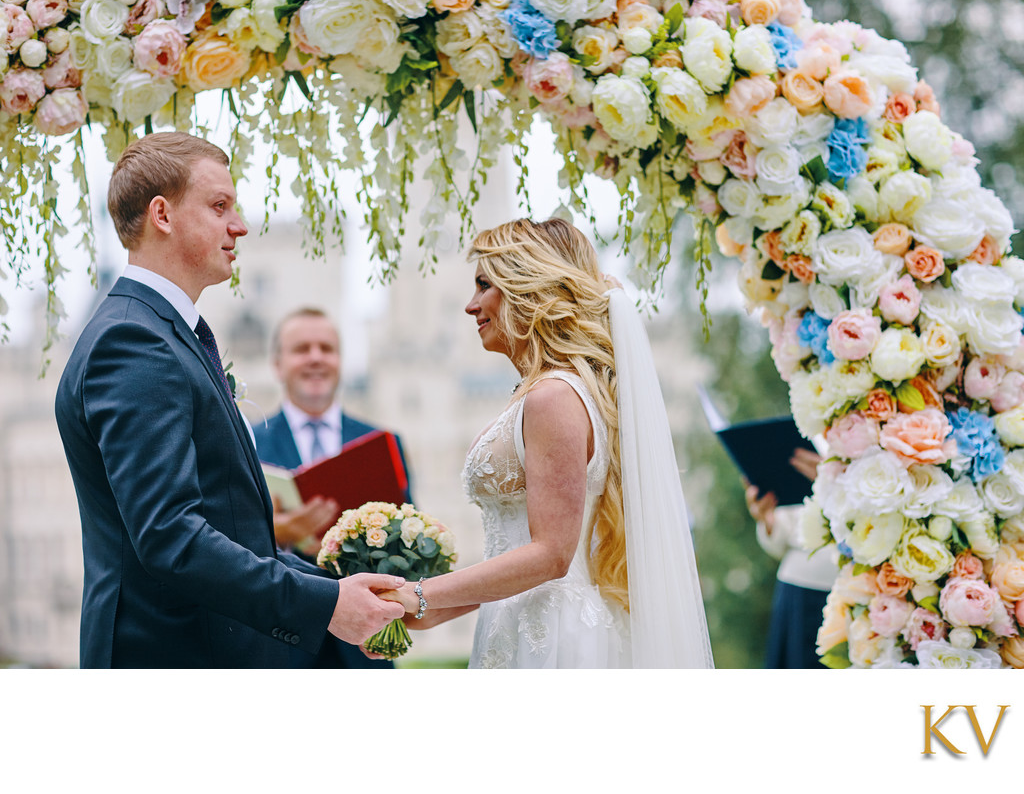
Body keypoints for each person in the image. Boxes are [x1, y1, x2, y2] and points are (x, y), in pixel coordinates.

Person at [54, 131, 405, 668]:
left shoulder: (164, 331)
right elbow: (171, 537)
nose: (239, 226)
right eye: (219, 207)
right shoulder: (133, 341)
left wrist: (347, 590)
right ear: (162, 215)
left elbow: (235, 530)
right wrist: (326, 605)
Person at [383, 218, 714, 668]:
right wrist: (434, 609)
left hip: (552, 638)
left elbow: (552, 555)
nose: (469, 305)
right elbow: (520, 551)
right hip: (518, 620)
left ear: (525, 289)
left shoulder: (554, 397)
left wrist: (419, 593)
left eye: (484, 285)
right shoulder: (551, 391)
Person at [254, 307, 414, 668]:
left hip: (363, 652)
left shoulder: (383, 442)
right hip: (278, 646)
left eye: (326, 348)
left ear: (341, 361)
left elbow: (411, 543)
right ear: (277, 364)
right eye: (301, 349)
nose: (315, 358)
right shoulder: (246, 444)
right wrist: (279, 533)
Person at [745, 446, 838, 669]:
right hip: (798, 593)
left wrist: (835, 485)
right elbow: (782, 538)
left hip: (863, 590)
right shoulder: (805, 438)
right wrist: (767, 520)